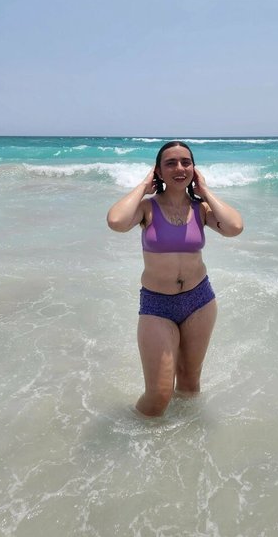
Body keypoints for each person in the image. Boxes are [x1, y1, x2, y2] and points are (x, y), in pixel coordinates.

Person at [107, 141, 243, 417]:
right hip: (158, 305)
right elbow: (116, 221)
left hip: (199, 301)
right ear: (158, 171)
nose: (179, 168)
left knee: (190, 385)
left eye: (185, 162)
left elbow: (234, 227)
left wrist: (205, 191)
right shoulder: (147, 208)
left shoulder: (201, 209)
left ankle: (181, 439)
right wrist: (144, 186)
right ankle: (134, 435)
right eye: (170, 163)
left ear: (194, 168)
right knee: (158, 395)